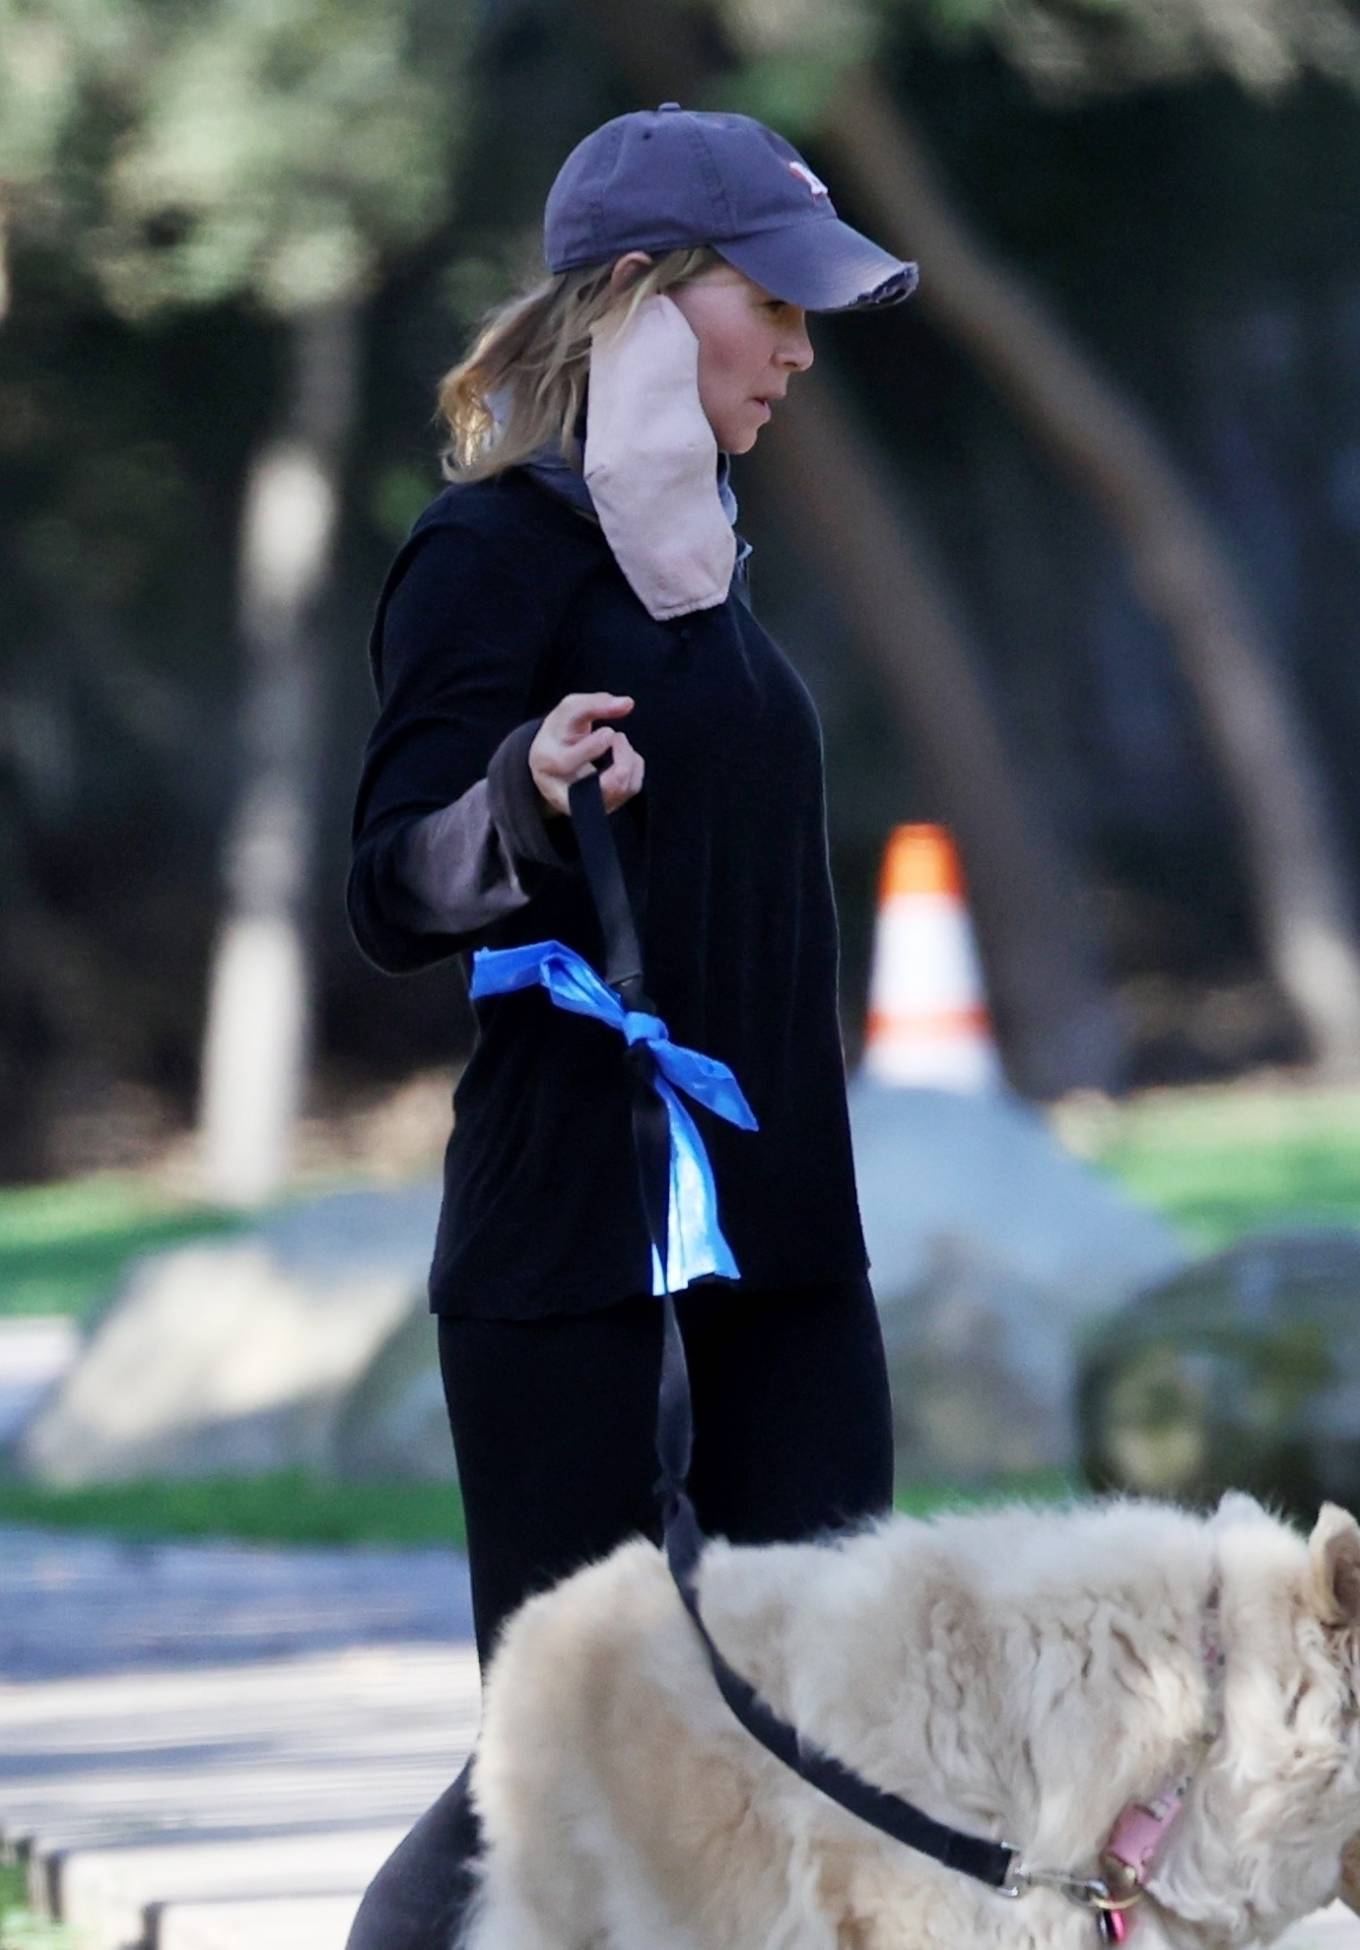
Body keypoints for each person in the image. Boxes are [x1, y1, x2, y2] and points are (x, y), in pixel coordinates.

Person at [343, 100, 919, 1950]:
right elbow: (389, 884)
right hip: (573, 1260)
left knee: (822, 1732)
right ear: (647, 301)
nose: (806, 350)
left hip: (784, 1262)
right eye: (777, 303)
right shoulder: (489, 555)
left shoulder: (715, 576)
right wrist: (518, 789)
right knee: (579, 1761)